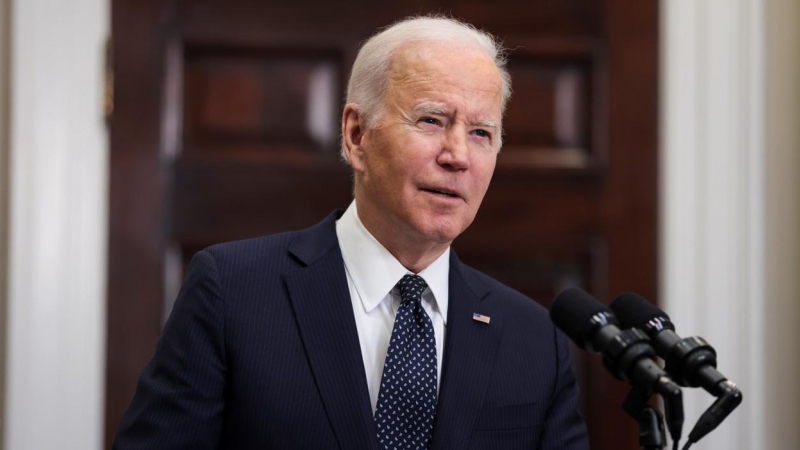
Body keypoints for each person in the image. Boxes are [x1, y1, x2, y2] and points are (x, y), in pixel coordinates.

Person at [113, 16, 589, 450]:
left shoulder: (533, 339)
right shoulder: (233, 292)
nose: (458, 155)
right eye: (431, 121)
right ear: (356, 135)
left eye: (481, 133)